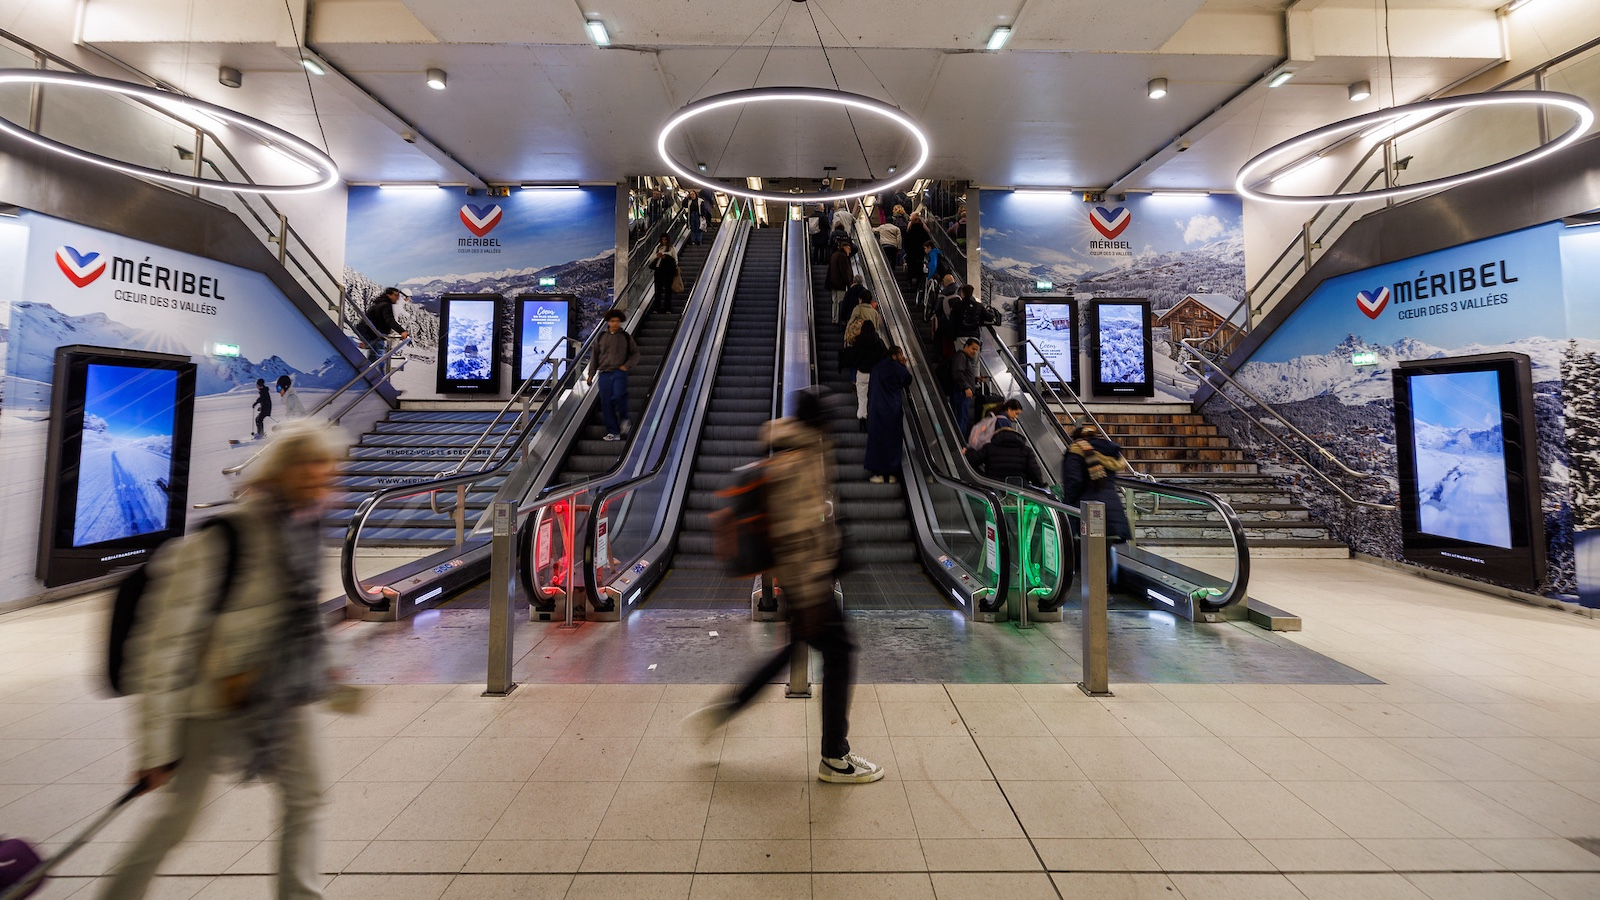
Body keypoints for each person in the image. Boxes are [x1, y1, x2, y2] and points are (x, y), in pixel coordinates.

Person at [101, 421, 344, 900]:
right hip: (207, 699)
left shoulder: (303, 530)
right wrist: (153, 751)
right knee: (178, 818)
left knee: (307, 795)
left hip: (275, 692)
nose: (327, 476)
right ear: (285, 471)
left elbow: (295, 616)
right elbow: (162, 646)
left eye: (330, 467)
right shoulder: (225, 539)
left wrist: (325, 665)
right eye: (315, 465)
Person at [685, 390, 883, 784]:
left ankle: (727, 709)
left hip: (806, 580)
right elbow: (797, 534)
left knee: (795, 650)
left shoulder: (800, 454)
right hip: (809, 583)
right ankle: (834, 757)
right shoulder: (800, 463)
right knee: (841, 655)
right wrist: (811, 592)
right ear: (818, 425)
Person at [1061, 423, 1133, 542]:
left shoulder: (1075, 452)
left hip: (1087, 511)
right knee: (1107, 551)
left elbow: (1074, 482)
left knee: (1087, 552)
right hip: (1113, 512)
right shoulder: (1109, 452)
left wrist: (1066, 506)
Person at [586, 310, 640, 441]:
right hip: (604, 373)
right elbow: (594, 357)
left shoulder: (626, 337)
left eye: (617, 321)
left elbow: (635, 354)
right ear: (608, 322)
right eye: (612, 321)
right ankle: (614, 432)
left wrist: (625, 366)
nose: (615, 323)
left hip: (618, 372)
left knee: (619, 395)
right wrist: (590, 374)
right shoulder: (601, 337)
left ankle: (624, 418)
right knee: (606, 403)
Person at [864, 345, 913, 484]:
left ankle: (877, 473)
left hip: (876, 409)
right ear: (894, 356)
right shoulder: (898, 368)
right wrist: (904, 366)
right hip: (892, 410)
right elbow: (908, 380)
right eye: (901, 354)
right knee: (892, 440)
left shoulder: (876, 368)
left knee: (876, 439)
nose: (902, 357)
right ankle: (890, 473)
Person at [968, 417, 1044, 485]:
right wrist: (1039, 486)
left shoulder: (989, 448)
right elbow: (1035, 472)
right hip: (1020, 490)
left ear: (997, 435)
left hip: (994, 486)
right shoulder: (1026, 451)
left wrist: (969, 451)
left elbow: (974, 459)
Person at [849, 319, 887, 430]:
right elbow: (884, 355)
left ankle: (862, 421)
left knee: (862, 397)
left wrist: (857, 364)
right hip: (875, 373)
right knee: (874, 397)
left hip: (862, 372)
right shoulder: (878, 341)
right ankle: (874, 420)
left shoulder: (858, 341)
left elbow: (854, 357)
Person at [359, 287, 409, 365]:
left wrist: (364, 338)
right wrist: (401, 331)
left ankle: (369, 374)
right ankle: (378, 376)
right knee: (380, 362)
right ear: (389, 295)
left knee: (373, 360)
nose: (397, 298)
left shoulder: (379, 304)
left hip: (372, 335)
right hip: (376, 337)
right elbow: (389, 320)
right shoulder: (386, 305)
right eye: (396, 295)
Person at [948, 337, 981, 437]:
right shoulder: (961, 357)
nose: (974, 352)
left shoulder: (965, 358)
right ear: (966, 346)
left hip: (962, 392)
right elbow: (958, 373)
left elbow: (963, 375)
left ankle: (960, 441)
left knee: (963, 418)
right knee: (961, 418)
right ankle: (960, 442)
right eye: (973, 349)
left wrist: (975, 380)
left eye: (976, 350)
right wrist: (966, 387)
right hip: (961, 393)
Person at [948, 284, 986, 353]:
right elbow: (989, 317)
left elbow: (952, 321)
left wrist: (953, 336)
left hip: (961, 335)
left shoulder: (957, 305)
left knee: (961, 357)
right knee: (974, 361)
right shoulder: (978, 306)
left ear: (962, 293)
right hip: (974, 336)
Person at [826, 241, 854, 324]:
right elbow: (844, 271)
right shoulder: (842, 256)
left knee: (834, 301)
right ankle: (839, 319)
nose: (850, 251)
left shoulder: (834, 255)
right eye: (849, 249)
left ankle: (834, 319)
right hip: (840, 283)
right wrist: (849, 283)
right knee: (840, 302)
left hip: (832, 283)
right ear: (844, 247)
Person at [649, 236, 679, 313]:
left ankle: (667, 308)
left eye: (665, 239)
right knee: (658, 290)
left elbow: (675, 260)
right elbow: (651, 258)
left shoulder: (672, 248)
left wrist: (666, 257)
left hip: (668, 272)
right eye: (662, 239)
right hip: (659, 270)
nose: (664, 241)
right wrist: (657, 255)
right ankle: (656, 308)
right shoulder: (658, 248)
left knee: (668, 290)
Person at [904, 216, 931, 283]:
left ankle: (909, 283)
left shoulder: (909, 231)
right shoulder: (924, 231)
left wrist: (907, 251)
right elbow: (928, 242)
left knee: (910, 267)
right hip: (920, 252)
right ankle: (918, 283)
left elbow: (906, 242)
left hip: (911, 252)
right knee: (919, 267)